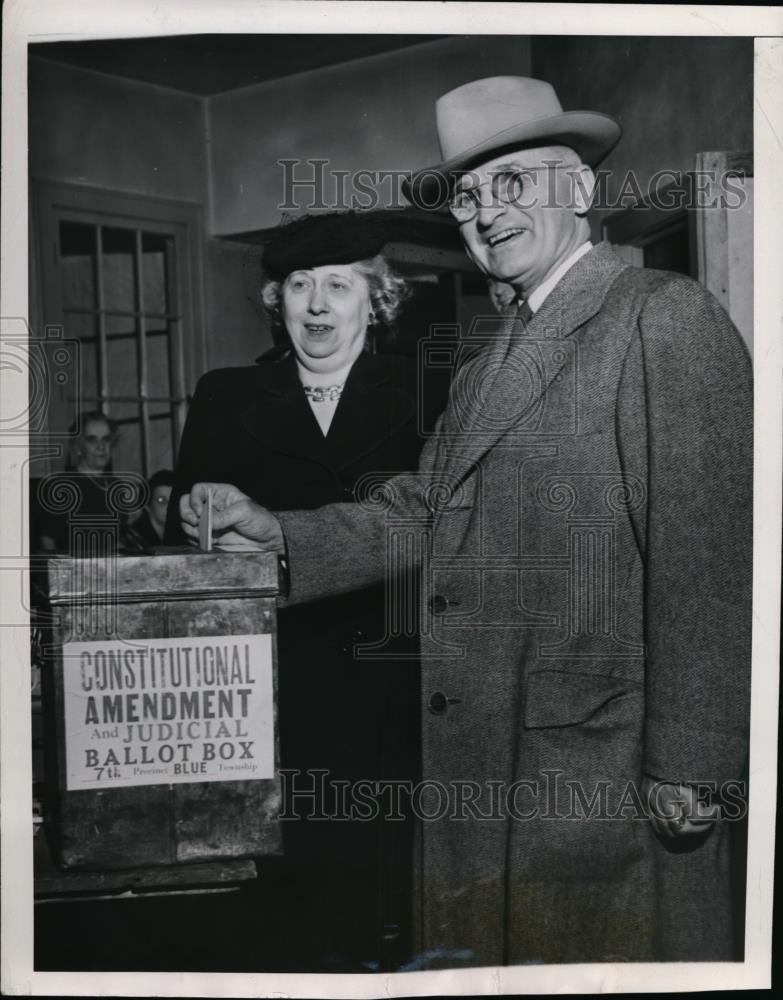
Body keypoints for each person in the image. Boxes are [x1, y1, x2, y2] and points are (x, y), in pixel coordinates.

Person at [178, 78, 752, 966]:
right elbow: (424, 510)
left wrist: (695, 758)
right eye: (467, 197)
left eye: (512, 183)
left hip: (602, 770)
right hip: (495, 753)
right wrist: (283, 535)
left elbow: (710, 555)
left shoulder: (660, 320)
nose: (485, 212)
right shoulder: (490, 360)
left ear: (581, 192)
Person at [166, 212, 424, 971]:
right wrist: (194, 513)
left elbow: (435, 530)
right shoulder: (225, 393)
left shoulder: (429, 391)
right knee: (277, 898)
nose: (316, 305)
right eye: (299, 286)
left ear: (376, 300)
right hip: (267, 690)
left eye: (339, 286)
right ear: (275, 301)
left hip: (393, 682)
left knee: (386, 893)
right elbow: (195, 543)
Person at [35, 410, 132, 554]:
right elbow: (47, 540)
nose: (101, 447)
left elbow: (117, 540)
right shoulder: (62, 485)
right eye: (92, 440)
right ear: (79, 447)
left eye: (105, 439)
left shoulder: (116, 486)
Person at [123, 469, 175, 551]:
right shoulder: (134, 539)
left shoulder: (181, 533)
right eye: (161, 500)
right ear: (147, 506)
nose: (169, 507)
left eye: (173, 500)